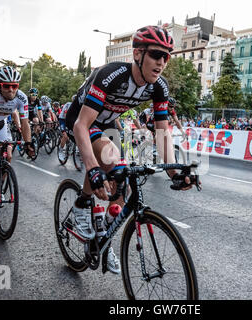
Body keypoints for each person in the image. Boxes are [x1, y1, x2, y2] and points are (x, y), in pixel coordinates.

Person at [65, 25, 196, 274]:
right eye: (156, 55)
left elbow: (162, 133)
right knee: (109, 157)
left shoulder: (159, 87)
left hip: (107, 123)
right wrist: (93, 169)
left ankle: (104, 239)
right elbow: (82, 125)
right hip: (81, 119)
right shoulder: (111, 74)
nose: (162, 62)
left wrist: (174, 172)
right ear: (138, 54)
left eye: (166, 56)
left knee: (120, 182)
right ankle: (82, 203)